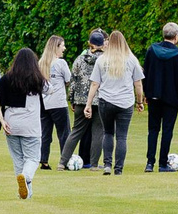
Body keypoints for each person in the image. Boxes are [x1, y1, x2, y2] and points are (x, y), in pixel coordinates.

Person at [0, 46, 48, 199]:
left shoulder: (7, 79)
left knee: (18, 159)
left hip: (11, 123)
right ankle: (25, 177)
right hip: (30, 125)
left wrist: (1, 119)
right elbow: (50, 90)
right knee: (32, 158)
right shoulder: (37, 80)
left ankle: (26, 193)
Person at [85, 30, 139, 175]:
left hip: (106, 101)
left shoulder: (102, 60)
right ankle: (118, 168)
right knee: (122, 136)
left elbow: (95, 84)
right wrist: (140, 101)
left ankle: (107, 164)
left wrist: (88, 103)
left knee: (108, 132)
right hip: (125, 102)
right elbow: (138, 83)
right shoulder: (131, 59)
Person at [141, 20, 178, 171]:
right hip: (171, 98)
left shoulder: (152, 50)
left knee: (153, 130)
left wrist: (146, 93)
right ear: (176, 37)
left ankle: (150, 163)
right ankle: (162, 164)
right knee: (167, 130)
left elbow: (146, 73)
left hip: (154, 96)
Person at [65, 30, 105, 168]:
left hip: (81, 99)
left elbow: (73, 80)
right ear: (103, 43)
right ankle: (94, 164)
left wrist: (72, 99)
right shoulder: (106, 60)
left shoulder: (80, 59)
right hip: (100, 99)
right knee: (98, 133)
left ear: (89, 43)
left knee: (76, 131)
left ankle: (62, 162)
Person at [37, 36, 73, 170]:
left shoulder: (41, 62)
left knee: (45, 133)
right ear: (56, 47)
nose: (64, 48)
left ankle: (44, 160)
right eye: (62, 45)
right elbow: (69, 79)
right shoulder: (60, 63)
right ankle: (65, 161)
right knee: (64, 133)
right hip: (58, 102)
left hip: (44, 102)